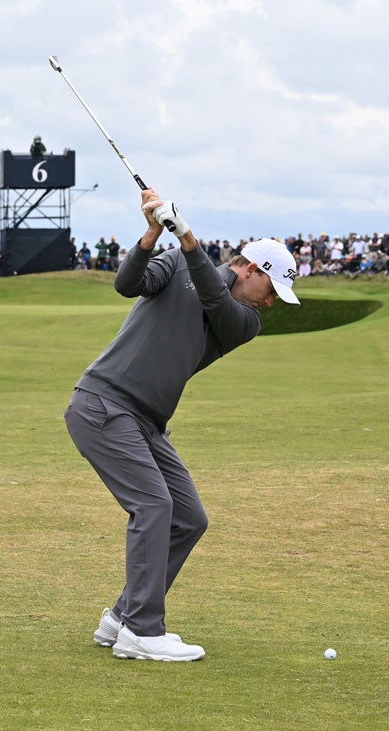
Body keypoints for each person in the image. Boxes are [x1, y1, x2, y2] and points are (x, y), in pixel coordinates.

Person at [64, 188, 298, 662]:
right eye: (272, 290)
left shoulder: (245, 321)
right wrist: (154, 230)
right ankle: (142, 632)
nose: (271, 302)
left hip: (145, 421)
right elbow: (126, 285)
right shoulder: (173, 262)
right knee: (153, 506)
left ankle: (125, 615)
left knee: (189, 518)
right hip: (103, 405)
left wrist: (187, 235)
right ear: (251, 269)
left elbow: (214, 297)